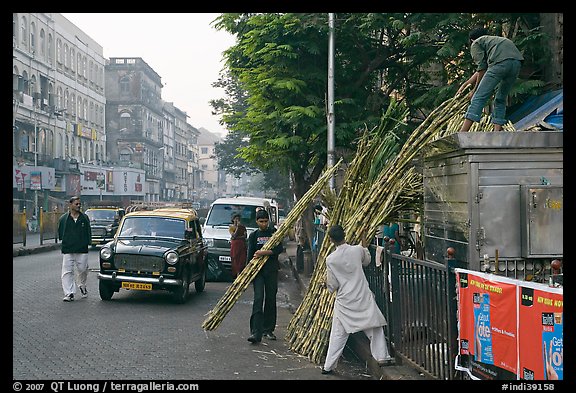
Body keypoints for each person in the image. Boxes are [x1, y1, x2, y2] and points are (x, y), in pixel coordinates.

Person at [321, 224, 394, 374]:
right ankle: (382, 357)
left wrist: (325, 284)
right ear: (345, 235)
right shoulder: (357, 250)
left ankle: (328, 366)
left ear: (330, 240)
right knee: (374, 327)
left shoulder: (331, 259)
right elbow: (367, 261)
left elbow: (333, 285)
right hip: (361, 295)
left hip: (344, 301)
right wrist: (364, 244)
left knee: (338, 334)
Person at [457, 27, 524, 132]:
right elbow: (484, 68)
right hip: (516, 63)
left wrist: (474, 90)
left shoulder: (476, 43)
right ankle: (497, 131)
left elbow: (482, 68)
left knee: (479, 97)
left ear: (471, 40)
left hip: (499, 64)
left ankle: (463, 132)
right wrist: (468, 82)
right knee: (501, 98)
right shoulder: (495, 41)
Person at [246, 209, 284, 343]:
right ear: (257, 221)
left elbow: (279, 249)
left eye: (265, 221)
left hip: (271, 271)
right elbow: (250, 255)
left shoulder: (274, 233)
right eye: (261, 221)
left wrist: (264, 252)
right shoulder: (253, 236)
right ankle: (255, 332)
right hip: (258, 272)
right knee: (258, 299)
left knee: (270, 299)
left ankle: (268, 330)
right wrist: (247, 274)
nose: (263, 224)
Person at [57, 196, 92, 302]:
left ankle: (82, 285)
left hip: (82, 249)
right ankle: (69, 293)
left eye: (79, 204)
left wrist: (88, 243)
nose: (78, 206)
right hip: (68, 249)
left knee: (82, 269)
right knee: (67, 271)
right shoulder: (63, 219)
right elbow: (61, 232)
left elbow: (88, 232)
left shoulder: (84, 218)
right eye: (76, 204)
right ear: (70, 204)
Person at [229, 213, 247, 277]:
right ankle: (236, 274)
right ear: (233, 220)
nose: (237, 220)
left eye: (238, 219)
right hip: (235, 246)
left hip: (241, 245)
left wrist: (240, 227)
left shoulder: (243, 227)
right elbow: (234, 236)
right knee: (235, 259)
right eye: (235, 219)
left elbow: (245, 236)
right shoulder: (231, 228)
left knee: (242, 260)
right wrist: (237, 228)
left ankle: (240, 274)